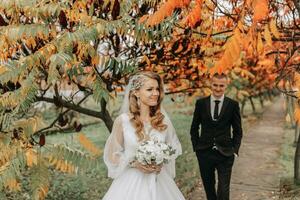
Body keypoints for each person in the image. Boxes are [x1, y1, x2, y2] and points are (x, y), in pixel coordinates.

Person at [102, 71, 185, 200]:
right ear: (136, 92)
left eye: (157, 89)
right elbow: (112, 156)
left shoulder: (162, 121)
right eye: (150, 89)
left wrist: (160, 162)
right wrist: (134, 163)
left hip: (159, 183)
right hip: (131, 184)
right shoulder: (123, 121)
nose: (156, 93)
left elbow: (173, 149)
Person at [190, 73, 243, 200]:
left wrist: (234, 150)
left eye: (221, 86)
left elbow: (238, 130)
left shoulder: (232, 105)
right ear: (210, 84)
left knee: (223, 190)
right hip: (204, 152)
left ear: (226, 86)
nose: (218, 88)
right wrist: (196, 148)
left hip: (225, 153)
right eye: (215, 85)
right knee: (209, 188)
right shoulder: (201, 104)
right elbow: (194, 127)